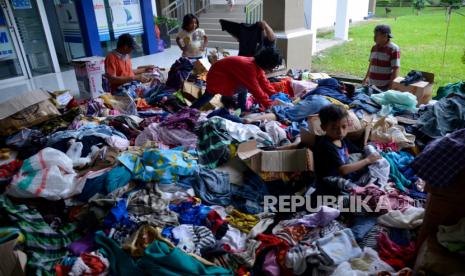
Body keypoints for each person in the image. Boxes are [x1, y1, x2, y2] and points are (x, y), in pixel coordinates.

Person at [313, 105, 381, 195]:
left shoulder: (341, 139)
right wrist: (367, 160)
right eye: (334, 128)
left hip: (343, 173)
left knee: (373, 166)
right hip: (329, 180)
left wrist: (368, 147)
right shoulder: (325, 145)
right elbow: (343, 170)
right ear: (324, 128)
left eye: (344, 127)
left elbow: (358, 150)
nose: (340, 132)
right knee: (358, 191)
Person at [190, 47, 282, 112]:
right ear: (267, 63)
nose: (272, 69)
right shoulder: (249, 68)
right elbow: (256, 90)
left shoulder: (255, 65)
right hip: (217, 78)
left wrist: (275, 95)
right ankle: (190, 111)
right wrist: (269, 104)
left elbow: (264, 83)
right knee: (208, 95)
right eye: (272, 66)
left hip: (225, 76)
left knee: (244, 87)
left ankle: (241, 108)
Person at [362, 25, 400, 91]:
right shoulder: (374, 47)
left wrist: (391, 86)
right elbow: (371, 64)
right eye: (374, 34)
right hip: (371, 84)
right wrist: (366, 78)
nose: (374, 37)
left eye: (377, 35)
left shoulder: (393, 49)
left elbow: (396, 69)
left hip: (384, 86)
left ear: (385, 36)